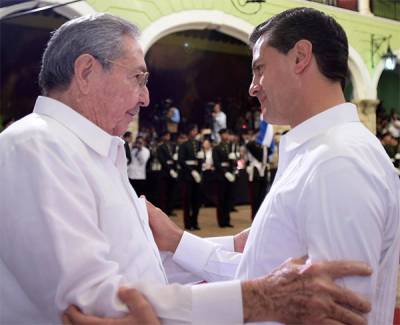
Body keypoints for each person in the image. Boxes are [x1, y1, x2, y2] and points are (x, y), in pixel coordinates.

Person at [0, 13, 371, 325]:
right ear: (85, 72)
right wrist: (256, 299)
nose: (145, 97)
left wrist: (231, 246)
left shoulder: (91, 150)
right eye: (138, 78)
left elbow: (144, 265)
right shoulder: (36, 146)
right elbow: (99, 303)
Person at [141, 7, 400, 325]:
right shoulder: (322, 153)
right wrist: (179, 243)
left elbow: (335, 313)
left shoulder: (338, 161)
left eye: (260, 68)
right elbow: (267, 283)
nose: (253, 86)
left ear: (300, 57)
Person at [178, 124, 203, 230]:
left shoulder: (199, 144)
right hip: (187, 176)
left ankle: (195, 222)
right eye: (194, 130)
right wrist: (192, 171)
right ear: (190, 132)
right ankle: (188, 224)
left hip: (197, 174)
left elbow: (200, 160)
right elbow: (181, 161)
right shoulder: (184, 145)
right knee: (187, 201)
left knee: (196, 200)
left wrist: (202, 159)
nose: (196, 132)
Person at [212, 128, 235, 227]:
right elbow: (216, 163)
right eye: (224, 134)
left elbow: (232, 162)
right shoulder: (217, 148)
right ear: (221, 135)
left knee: (228, 199)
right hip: (221, 175)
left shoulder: (230, 147)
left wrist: (234, 160)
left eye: (227, 134)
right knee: (221, 199)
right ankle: (221, 222)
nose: (226, 136)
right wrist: (225, 173)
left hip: (229, 174)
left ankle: (227, 220)